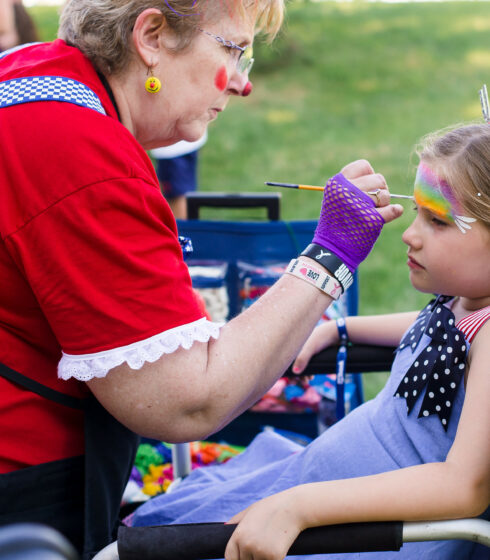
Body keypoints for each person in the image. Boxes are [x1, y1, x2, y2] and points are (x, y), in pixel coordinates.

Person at [0, 1, 400, 558]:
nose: (243, 84)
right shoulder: (83, 158)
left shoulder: (33, 75)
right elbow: (185, 401)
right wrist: (330, 256)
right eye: (233, 50)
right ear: (153, 36)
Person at [130, 123, 490, 560]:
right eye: (415, 212)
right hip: (329, 479)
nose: (409, 234)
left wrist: (300, 507)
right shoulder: (464, 300)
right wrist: (339, 329)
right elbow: (432, 330)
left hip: (373, 533)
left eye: (436, 220)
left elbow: (464, 486)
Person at [151, 134, 208, 219]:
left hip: (172, 149)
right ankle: (187, 228)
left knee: (178, 197)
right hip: (183, 142)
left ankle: (183, 230)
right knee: (185, 193)